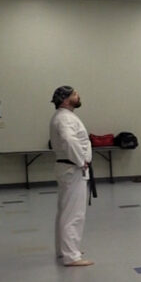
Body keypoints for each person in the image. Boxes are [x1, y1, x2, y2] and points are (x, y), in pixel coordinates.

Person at [50, 86, 94, 267]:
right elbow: (69, 140)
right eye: (74, 94)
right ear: (65, 99)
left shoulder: (64, 116)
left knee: (66, 211)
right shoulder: (65, 118)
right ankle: (71, 256)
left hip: (68, 167)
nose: (78, 96)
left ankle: (65, 249)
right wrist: (81, 161)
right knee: (74, 214)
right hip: (73, 168)